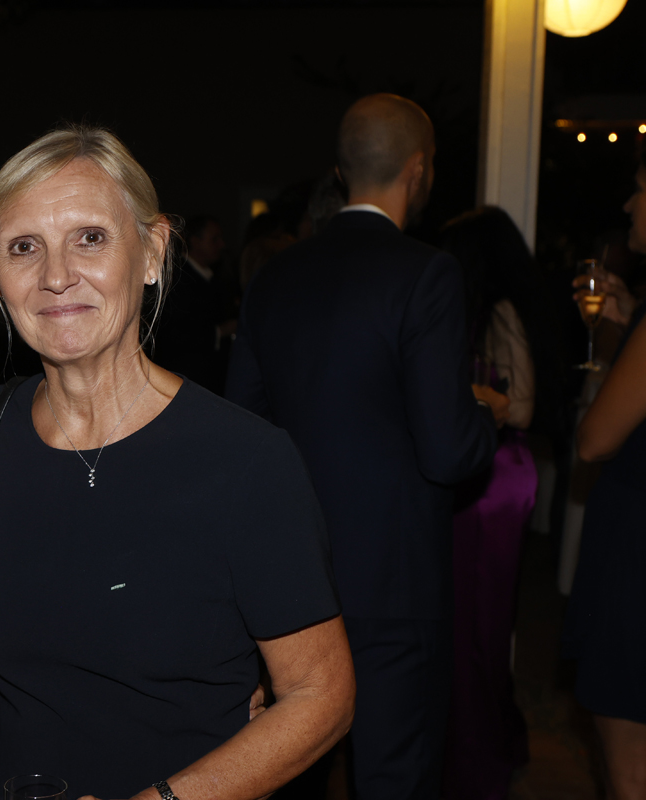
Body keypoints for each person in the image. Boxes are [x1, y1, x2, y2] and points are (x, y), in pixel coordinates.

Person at [0, 124, 355, 800]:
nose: (56, 276)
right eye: (24, 247)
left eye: (90, 238)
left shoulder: (245, 460)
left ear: (152, 251)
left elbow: (322, 697)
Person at [225, 94, 506, 799]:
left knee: (292, 775)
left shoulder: (273, 277)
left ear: (341, 172)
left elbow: (241, 434)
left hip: (288, 583)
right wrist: (486, 417)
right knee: (395, 777)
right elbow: (448, 451)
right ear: (419, 170)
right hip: (394, 587)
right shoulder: (426, 273)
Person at [439, 207, 546, 800]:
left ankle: (480, 765)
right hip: (483, 474)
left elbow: (523, 404)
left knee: (480, 628)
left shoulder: (499, 312)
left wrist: (460, 393)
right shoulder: (468, 313)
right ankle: (479, 746)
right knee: (469, 627)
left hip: (497, 480)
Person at [561, 155, 646, 800]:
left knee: (630, 770)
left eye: (640, 190)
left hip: (636, 558)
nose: (629, 205)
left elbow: (596, 440)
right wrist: (627, 322)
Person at [152, 215, 237, 393]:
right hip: (188, 382)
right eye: (214, 239)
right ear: (195, 241)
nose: (221, 245)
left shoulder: (214, 278)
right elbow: (173, 335)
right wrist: (220, 331)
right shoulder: (177, 281)